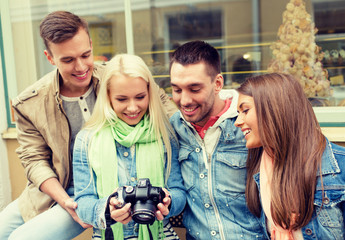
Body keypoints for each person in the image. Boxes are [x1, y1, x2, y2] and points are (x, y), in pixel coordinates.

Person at [0, 11, 176, 240]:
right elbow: (34, 161)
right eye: (68, 60)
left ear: (91, 45)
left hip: (104, 189)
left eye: (86, 54)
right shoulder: (29, 103)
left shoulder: (116, 78)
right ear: (49, 58)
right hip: (57, 190)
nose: (81, 66)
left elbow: (166, 108)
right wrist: (67, 202)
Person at [72, 53, 186, 240]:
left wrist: (168, 201)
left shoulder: (164, 134)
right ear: (108, 97)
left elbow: (179, 193)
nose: (132, 108)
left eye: (140, 97)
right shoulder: (87, 139)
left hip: (159, 234)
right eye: (122, 99)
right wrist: (107, 210)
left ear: (150, 93)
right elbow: (83, 203)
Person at [169, 40, 265, 239]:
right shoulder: (174, 127)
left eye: (194, 89)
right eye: (177, 90)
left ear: (218, 84)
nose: (185, 101)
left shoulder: (249, 121)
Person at [234, 73, 345, 239]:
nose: (237, 121)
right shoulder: (260, 167)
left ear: (274, 108)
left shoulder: (339, 166)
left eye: (245, 110)